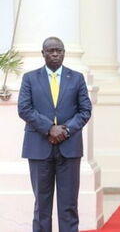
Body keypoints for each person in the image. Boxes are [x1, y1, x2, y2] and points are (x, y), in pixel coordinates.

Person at [18, 37, 92, 232]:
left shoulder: (76, 78)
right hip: (39, 148)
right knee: (42, 206)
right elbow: (24, 109)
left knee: (69, 205)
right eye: (50, 51)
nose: (55, 54)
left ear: (64, 53)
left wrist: (65, 130)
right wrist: (49, 128)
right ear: (43, 54)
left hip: (69, 148)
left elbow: (85, 110)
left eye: (59, 50)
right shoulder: (30, 78)